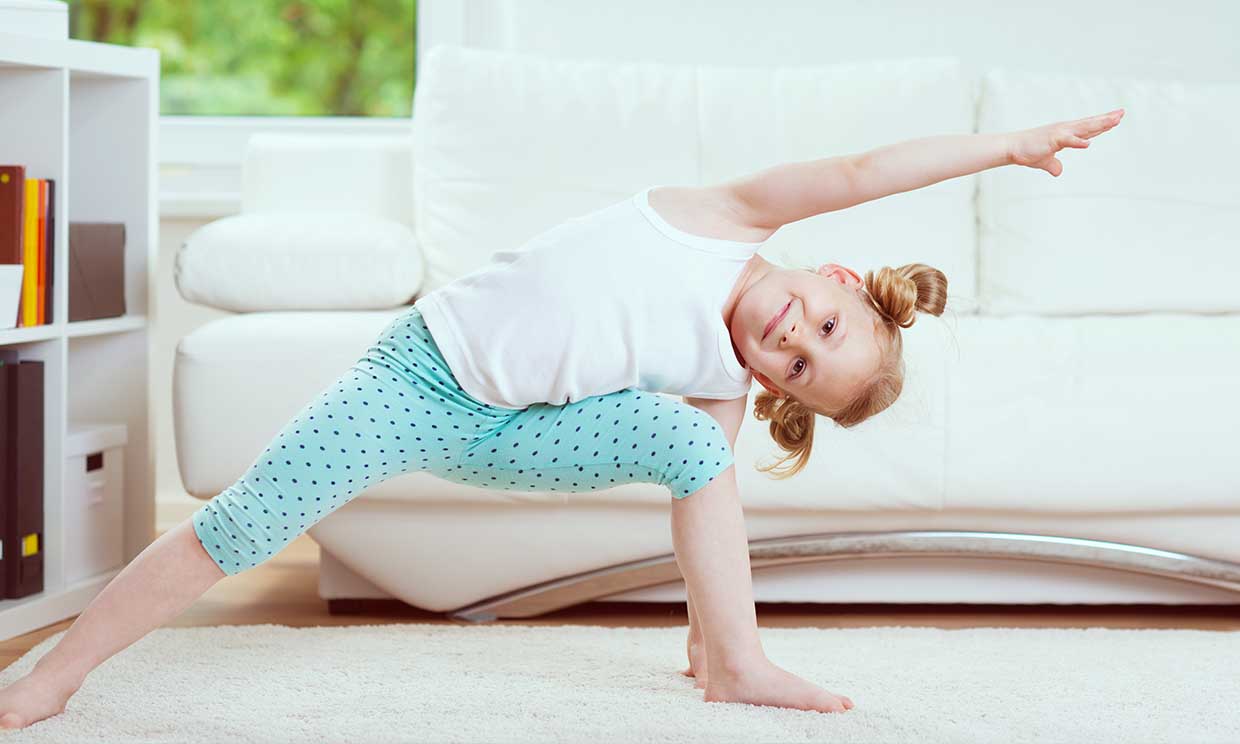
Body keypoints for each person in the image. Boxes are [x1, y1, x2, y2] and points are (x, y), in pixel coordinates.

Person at [0, 107, 1124, 729]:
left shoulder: (721, 383)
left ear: (777, 392)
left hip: (509, 436)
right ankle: (58, 672)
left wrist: (712, 625)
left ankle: (730, 664)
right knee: (243, 526)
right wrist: (1006, 147)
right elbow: (865, 163)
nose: (791, 339)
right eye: (820, 324)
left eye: (799, 365)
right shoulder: (722, 220)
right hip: (418, 382)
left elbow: (705, 508)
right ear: (830, 275)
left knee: (694, 454)